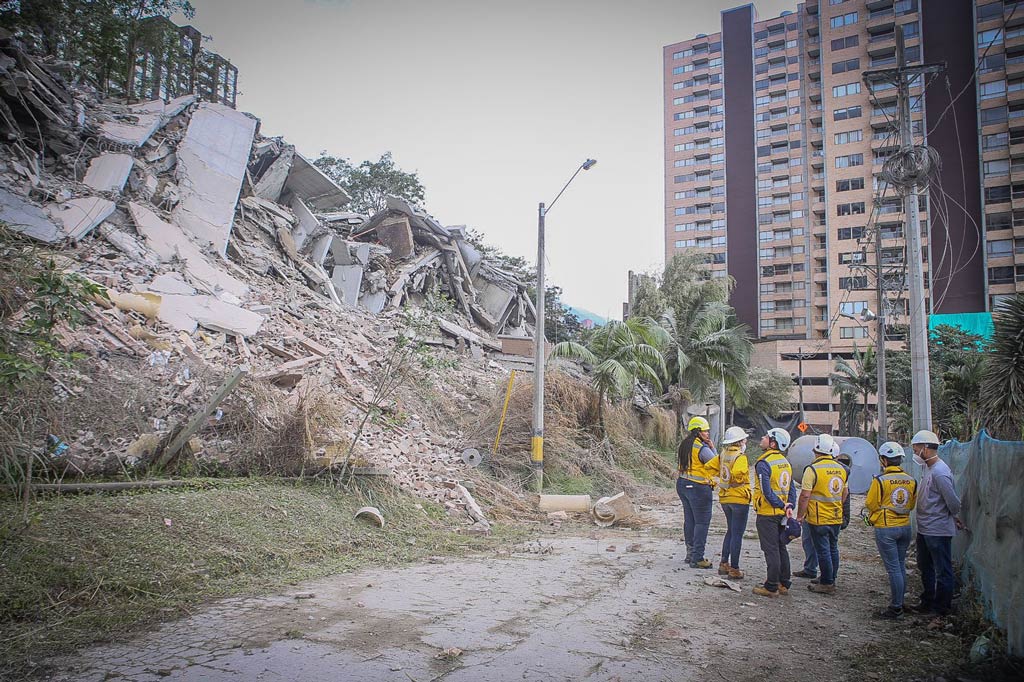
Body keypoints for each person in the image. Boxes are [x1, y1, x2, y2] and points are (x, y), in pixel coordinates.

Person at [907, 430, 963, 617]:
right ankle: (927, 601)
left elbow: (953, 503)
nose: (915, 454)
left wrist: (953, 515)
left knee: (942, 571)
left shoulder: (940, 472)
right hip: (925, 528)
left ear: (926, 448)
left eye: (916, 450)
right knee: (925, 567)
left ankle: (941, 609)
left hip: (938, 530)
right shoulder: (927, 468)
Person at [865, 441, 918, 619]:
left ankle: (896, 608)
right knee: (900, 565)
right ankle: (900, 601)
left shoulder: (880, 481)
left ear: (884, 460)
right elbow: (911, 504)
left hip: (886, 528)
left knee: (893, 568)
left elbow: (870, 504)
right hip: (905, 527)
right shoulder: (911, 480)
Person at [797, 433, 848, 595]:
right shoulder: (842, 469)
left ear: (815, 450)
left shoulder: (812, 469)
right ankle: (830, 577)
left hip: (818, 518)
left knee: (823, 550)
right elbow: (845, 493)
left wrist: (800, 515)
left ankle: (826, 583)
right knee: (833, 548)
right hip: (835, 516)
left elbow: (805, 495)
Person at [752, 427, 796, 598]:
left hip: (768, 513)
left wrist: (781, 505)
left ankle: (771, 587)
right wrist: (788, 505)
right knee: (780, 547)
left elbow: (766, 491)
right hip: (782, 513)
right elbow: (792, 488)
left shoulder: (764, 463)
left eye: (766, 436)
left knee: (771, 549)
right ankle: (784, 583)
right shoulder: (785, 462)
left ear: (773, 443)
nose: (762, 438)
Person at [676, 416, 718, 569]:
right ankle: (698, 558)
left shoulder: (685, 444)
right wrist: (712, 447)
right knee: (701, 522)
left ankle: (690, 553)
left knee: (690, 520)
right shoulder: (701, 448)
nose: (708, 433)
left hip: (682, 485)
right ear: (698, 432)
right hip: (698, 488)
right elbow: (715, 464)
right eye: (706, 431)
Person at [717, 426, 751, 579]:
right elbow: (738, 473)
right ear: (738, 442)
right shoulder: (740, 457)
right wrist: (738, 479)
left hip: (725, 498)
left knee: (730, 531)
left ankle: (724, 563)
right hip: (738, 498)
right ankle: (734, 568)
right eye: (744, 439)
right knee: (737, 534)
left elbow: (709, 466)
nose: (745, 441)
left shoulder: (723, 454)